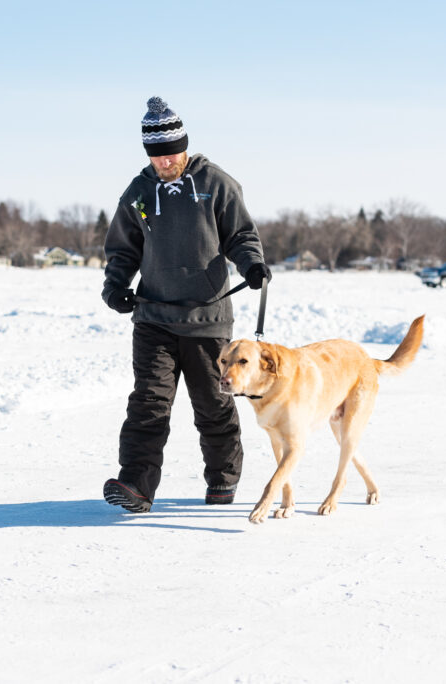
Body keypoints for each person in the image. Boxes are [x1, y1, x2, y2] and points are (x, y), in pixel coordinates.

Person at [101, 96, 271, 513]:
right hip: (154, 317)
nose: (164, 163)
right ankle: (136, 486)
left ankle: (222, 480)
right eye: (156, 156)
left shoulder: (216, 184)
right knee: (148, 403)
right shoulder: (139, 191)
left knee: (212, 405)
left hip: (207, 320)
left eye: (171, 154)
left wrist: (252, 265)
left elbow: (241, 236)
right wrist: (115, 285)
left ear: (185, 146)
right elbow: (123, 248)